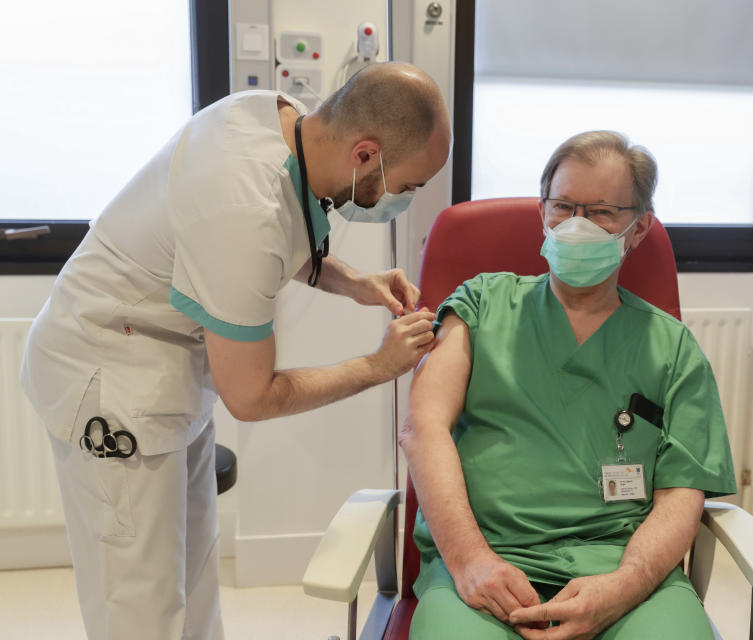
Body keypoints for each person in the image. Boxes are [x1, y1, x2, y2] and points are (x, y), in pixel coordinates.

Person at [19, 62, 450, 640]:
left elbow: (281, 229)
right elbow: (251, 396)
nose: (405, 199)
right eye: (409, 186)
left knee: (194, 584)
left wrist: (352, 282)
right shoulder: (241, 206)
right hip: (108, 380)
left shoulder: (273, 118)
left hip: (167, 370)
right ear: (366, 156)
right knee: (139, 609)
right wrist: (379, 366)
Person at [400, 131, 737, 639]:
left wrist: (625, 584)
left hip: (624, 574)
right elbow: (423, 428)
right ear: (543, 212)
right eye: (563, 206)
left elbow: (680, 496)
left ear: (639, 227)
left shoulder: (673, 350)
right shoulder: (480, 306)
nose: (577, 224)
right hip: (485, 566)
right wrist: (471, 562)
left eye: (602, 211)